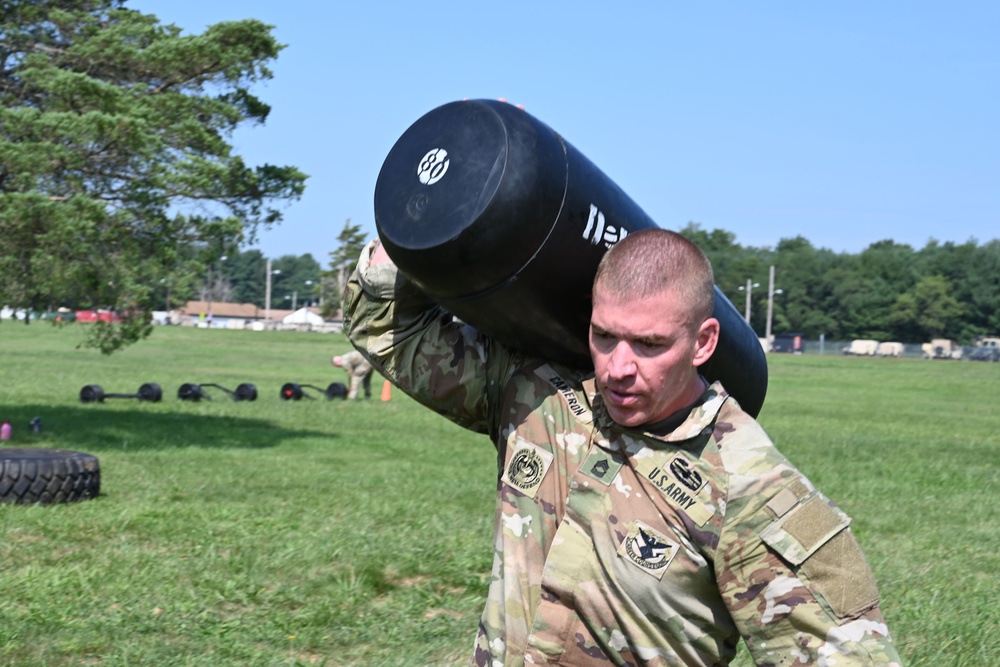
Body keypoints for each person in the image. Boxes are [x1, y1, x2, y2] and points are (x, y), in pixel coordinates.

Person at [343, 229, 903, 666]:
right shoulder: (539, 396)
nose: (619, 368)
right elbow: (387, 326)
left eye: (651, 344)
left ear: (703, 341)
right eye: (604, 335)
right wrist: (454, 203)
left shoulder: (753, 488)